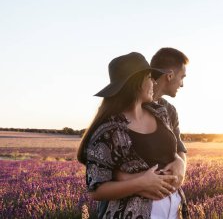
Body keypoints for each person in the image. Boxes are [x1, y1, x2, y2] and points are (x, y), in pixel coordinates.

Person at [77, 52, 189, 219]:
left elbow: (171, 150)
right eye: (150, 77)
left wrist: (179, 161)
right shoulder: (107, 130)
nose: (154, 82)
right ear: (138, 83)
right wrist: (140, 183)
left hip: (174, 210)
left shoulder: (161, 112)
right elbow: (96, 190)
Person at [115, 48, 189, 193]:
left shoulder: (169, 110)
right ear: (169, 76)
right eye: (182, 77)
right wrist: (134, 180)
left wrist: (181, 164)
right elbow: (102, 164)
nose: (182, 84)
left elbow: (179, 148)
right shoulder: (124, 108)